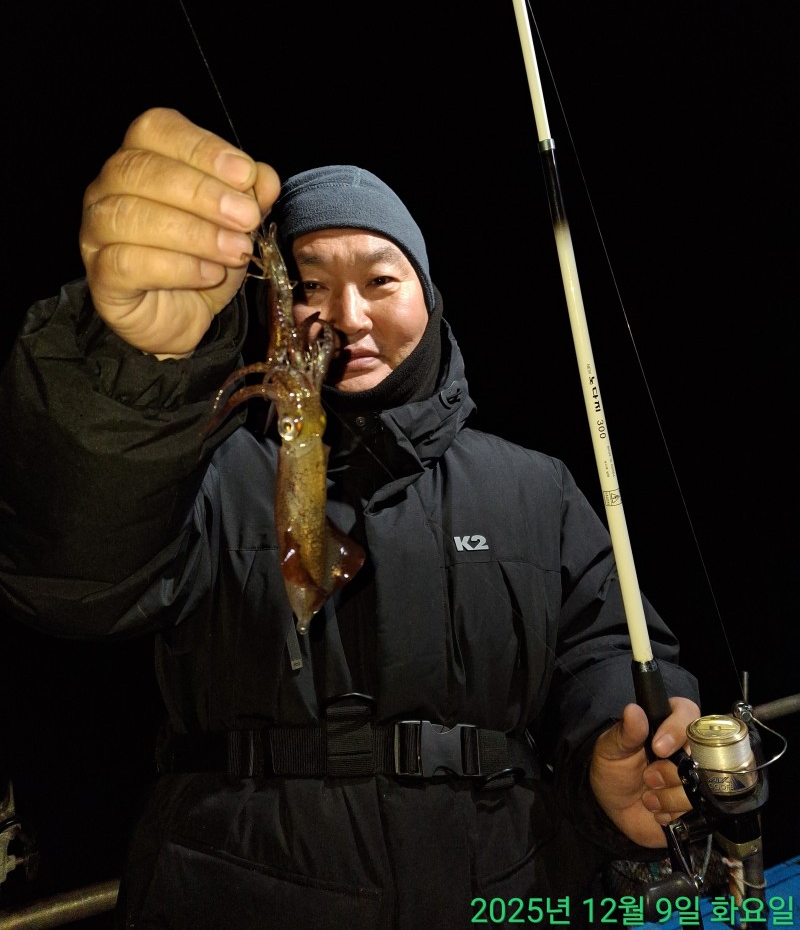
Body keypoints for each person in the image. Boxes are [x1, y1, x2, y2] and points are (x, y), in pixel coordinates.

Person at [0, 107, 701, 929]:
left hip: (509, 891)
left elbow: (611, 646)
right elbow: (72, 572)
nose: (348, 317)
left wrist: (616, 750)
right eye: (308, 286)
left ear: (429, 296)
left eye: (380, 280)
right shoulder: (204, 474)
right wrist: (134, 369)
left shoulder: (537, 488)